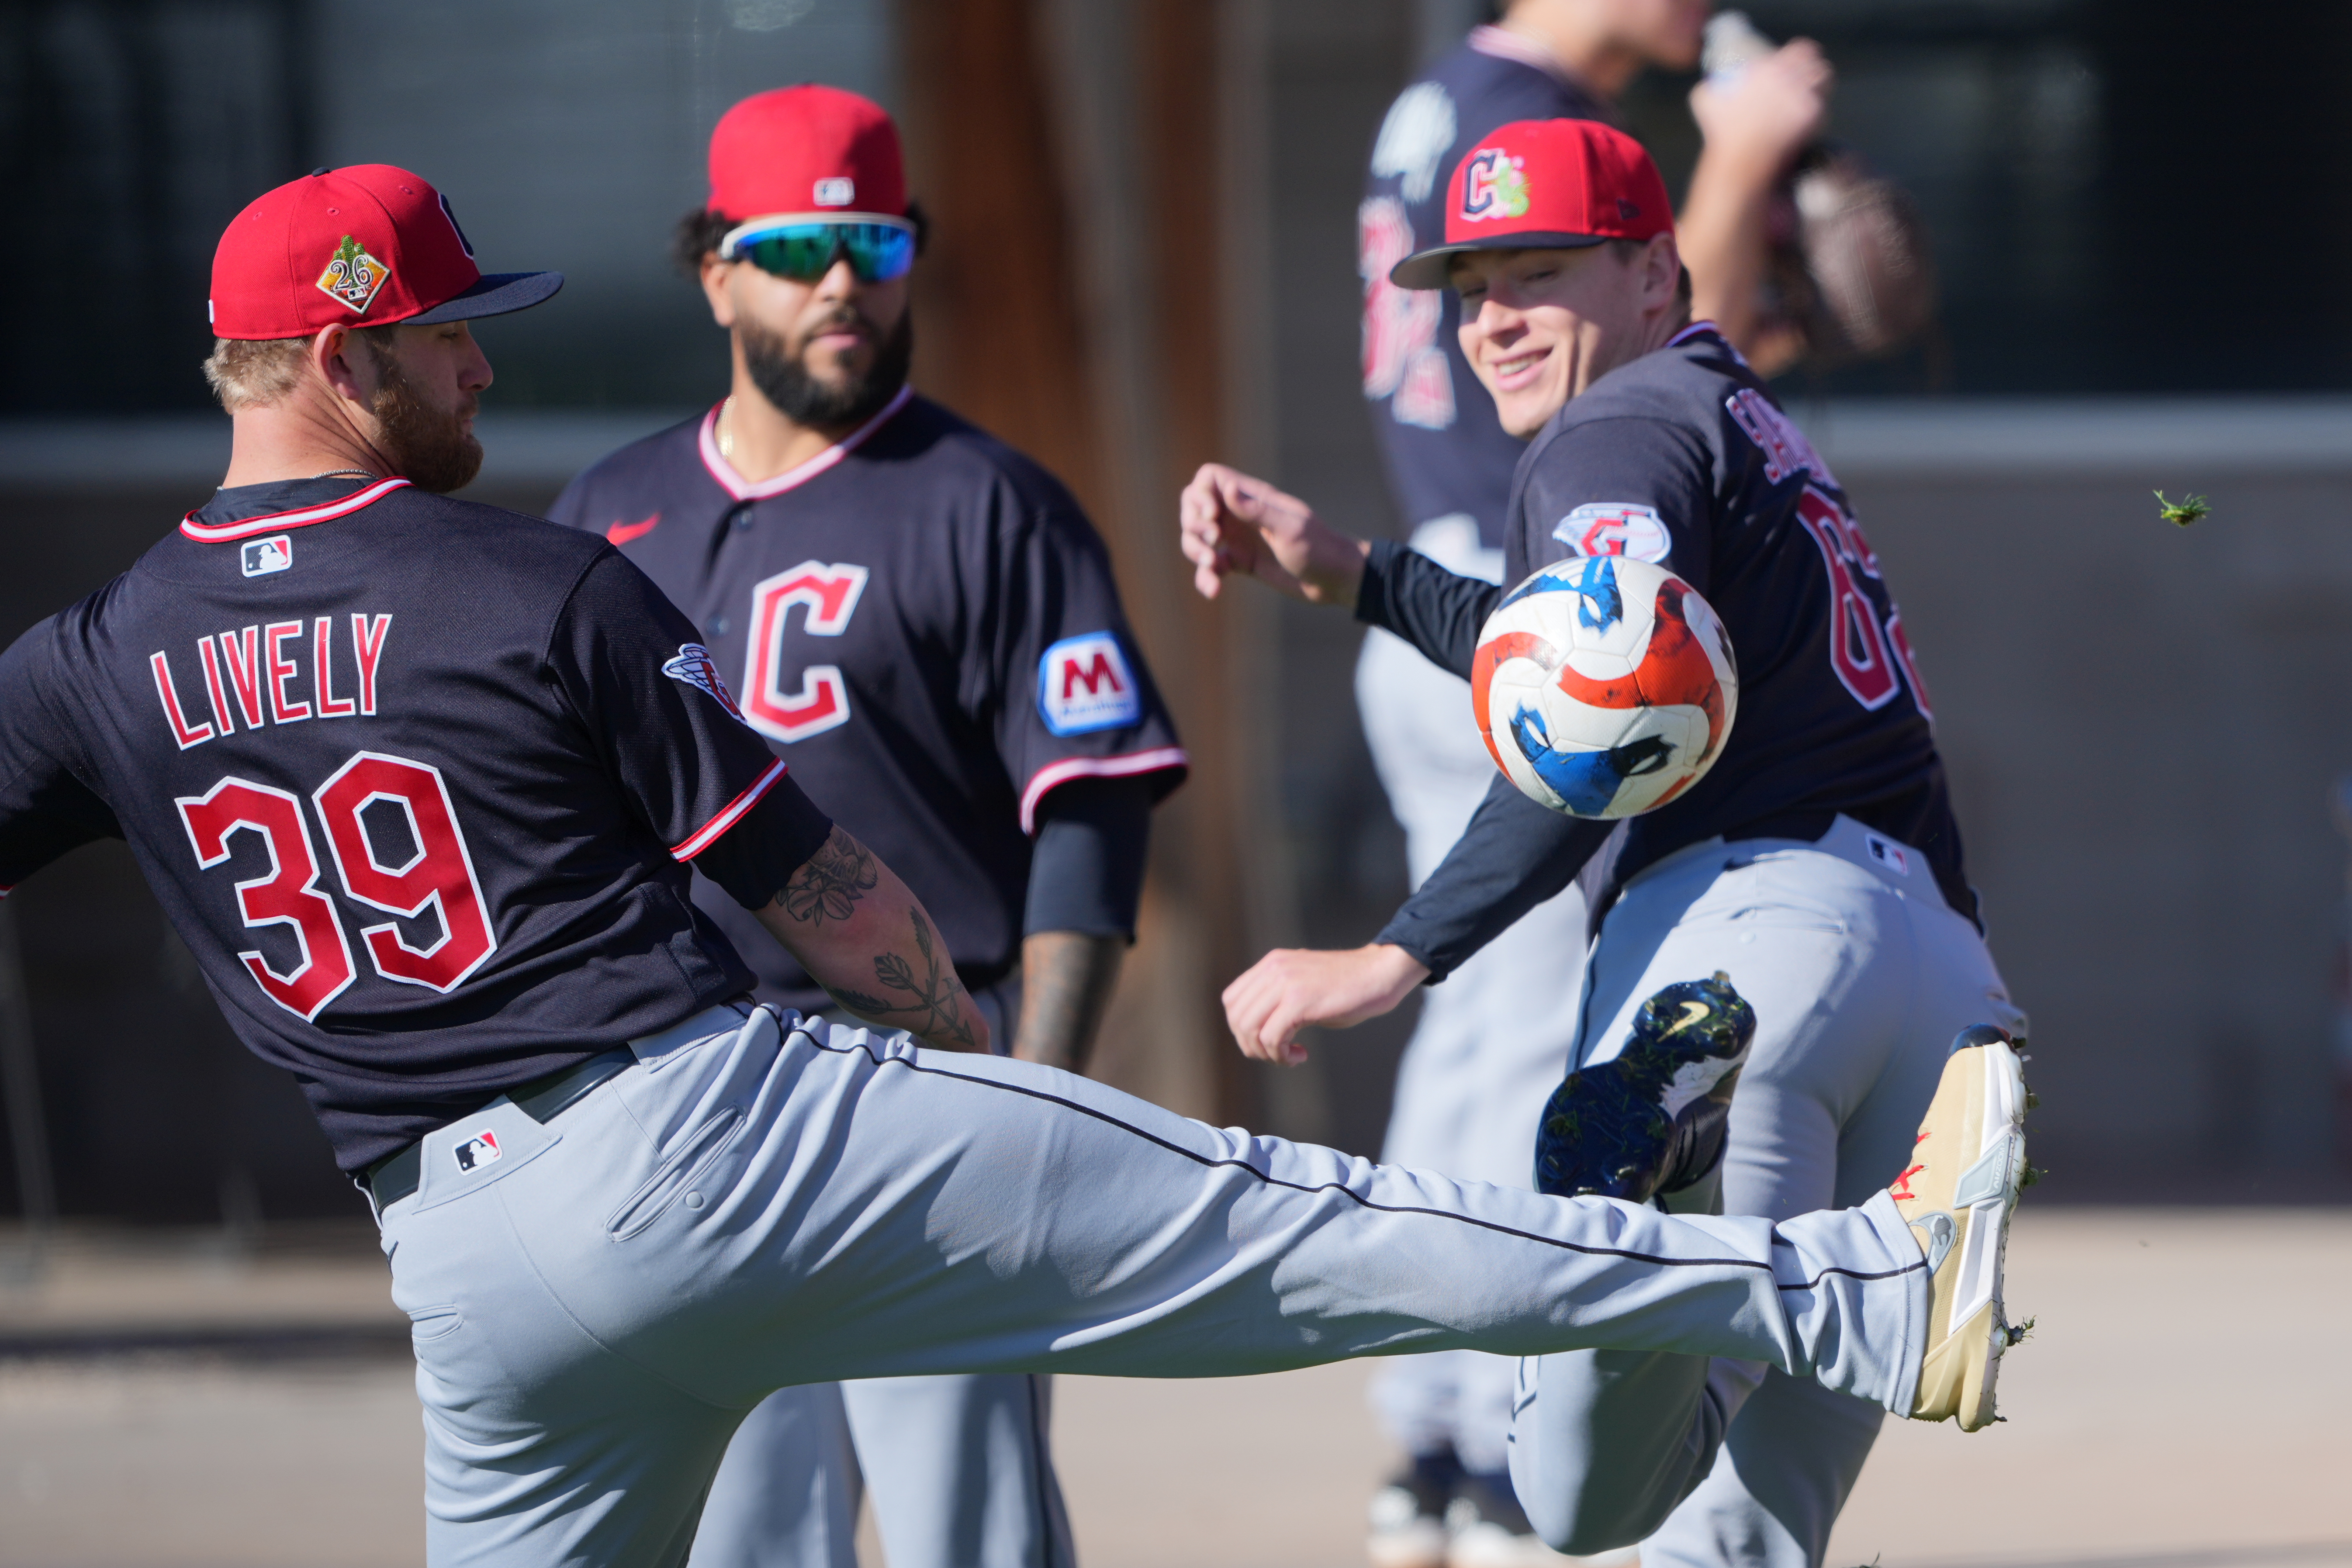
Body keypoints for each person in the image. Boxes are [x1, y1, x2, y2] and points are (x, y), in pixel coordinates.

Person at [0, 159, 2010, 1568]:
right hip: (721, 1131)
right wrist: (966, 1055)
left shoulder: (96, 658)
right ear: (350, 361)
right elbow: (828, 897)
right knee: (1310, 1226)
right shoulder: (537, 577)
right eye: (448, 343)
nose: (483, 372)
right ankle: (1853, 1286)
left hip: (456, 1255)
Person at [1182, 118, 2027, 1568]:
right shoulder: (1732, 418)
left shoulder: (1610, 429)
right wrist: (1366, 579)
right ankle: (1882, 1279)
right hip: (1944, 998)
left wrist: (1397, 955)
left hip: (1750, 966)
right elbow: (1613, 653)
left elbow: (1603, 719)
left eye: (1541, 269)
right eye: (1470, 284)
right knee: (1741, 1541)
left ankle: (1679, 1176)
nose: (1494, 317)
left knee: (1586, 1498)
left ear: (1653, 269)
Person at [548, 85, 1186, 1568]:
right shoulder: (608, 507)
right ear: (716, 269)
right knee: (743, 1528)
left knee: (972, 1520)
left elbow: (1089, 817)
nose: (842, 281)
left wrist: (1039, 1098)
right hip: (691, 1087)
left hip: (931, 1071)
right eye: (796, 247)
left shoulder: (991, 504)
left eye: (876, 247)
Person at [1355, 10, 1831, 1559]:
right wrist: (1748, 153)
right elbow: (1648, 334)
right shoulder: (1523, 112)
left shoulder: (1454, 96)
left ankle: (1431, 1429)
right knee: (1536, 1031)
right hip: (1555, 617)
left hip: (1481, 595)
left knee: (1484, 1028)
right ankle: (1491, 1431)